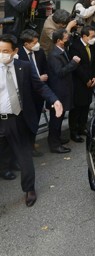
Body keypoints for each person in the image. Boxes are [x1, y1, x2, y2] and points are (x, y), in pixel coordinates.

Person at [0, 34, 63, 207]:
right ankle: (5, 170)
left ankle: (29, 189)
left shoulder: (24, 67)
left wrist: (55, 100)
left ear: (15, 51)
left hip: (17, 119)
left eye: (5, 51)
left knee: (24, 156)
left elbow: (40, 87)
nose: (1, 54)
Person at [47, 29, 80, 154]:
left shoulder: (62, 50)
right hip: (58, 91)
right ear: (59, 41)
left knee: (59, 118)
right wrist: (73, 63)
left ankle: (57, 138)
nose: (68, 40)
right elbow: (60, 72)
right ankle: (54, 144)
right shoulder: (54, 55)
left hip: (64, 89)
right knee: (56, 118)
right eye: (65, 39)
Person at [17, 29, 49, 157]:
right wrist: (36, 79)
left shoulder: (39, 52)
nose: (37, 44)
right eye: (34, 43)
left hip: (39, 92)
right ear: (26, 44)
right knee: (24, 122)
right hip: (25, 94)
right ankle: (22, 148)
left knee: (35, 120)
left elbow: (45, 68)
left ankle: (31, 145)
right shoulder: (18, 55)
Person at [68, 26, 95, 143]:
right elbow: (77, 67)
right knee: (77, 108)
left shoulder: (91, 46)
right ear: (84, 36)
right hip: (79, 82)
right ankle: (73, 131)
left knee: (86, 106)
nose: (94, 39)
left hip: (90, 81)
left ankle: (82, 127)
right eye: (92, 36)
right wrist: (86, 80)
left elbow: (94, 63)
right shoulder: (75, 47)